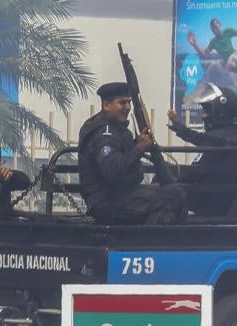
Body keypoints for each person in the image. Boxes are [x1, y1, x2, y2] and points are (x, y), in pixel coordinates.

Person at [78, 81, 187, 225]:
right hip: (106, 201)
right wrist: (139, 149)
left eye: (129, 102)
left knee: (175, 192)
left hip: (121, 194)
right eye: (122, 103)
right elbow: (112, 171)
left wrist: (138, 144)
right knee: (170, 199)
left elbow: (124, 154)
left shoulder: (117, 128)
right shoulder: (104, 133)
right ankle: (145, 243)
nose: (128, 107)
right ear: (106, 105)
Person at [166, 83, 237, 214]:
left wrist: (174, 178)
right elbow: (199, 140)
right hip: (222, 197)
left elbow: (197, 170)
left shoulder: (218, 137)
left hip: (211, 199)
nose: (204, 115)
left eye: (207, 110)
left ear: (220, 111)